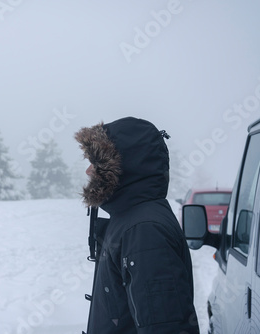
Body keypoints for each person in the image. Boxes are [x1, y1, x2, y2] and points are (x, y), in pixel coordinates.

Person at [75, 117, 199, 334]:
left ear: (123, 166)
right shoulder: (129, 219)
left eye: (96, 163)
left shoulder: (144, 230)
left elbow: (165, 327)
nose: (88, 171)